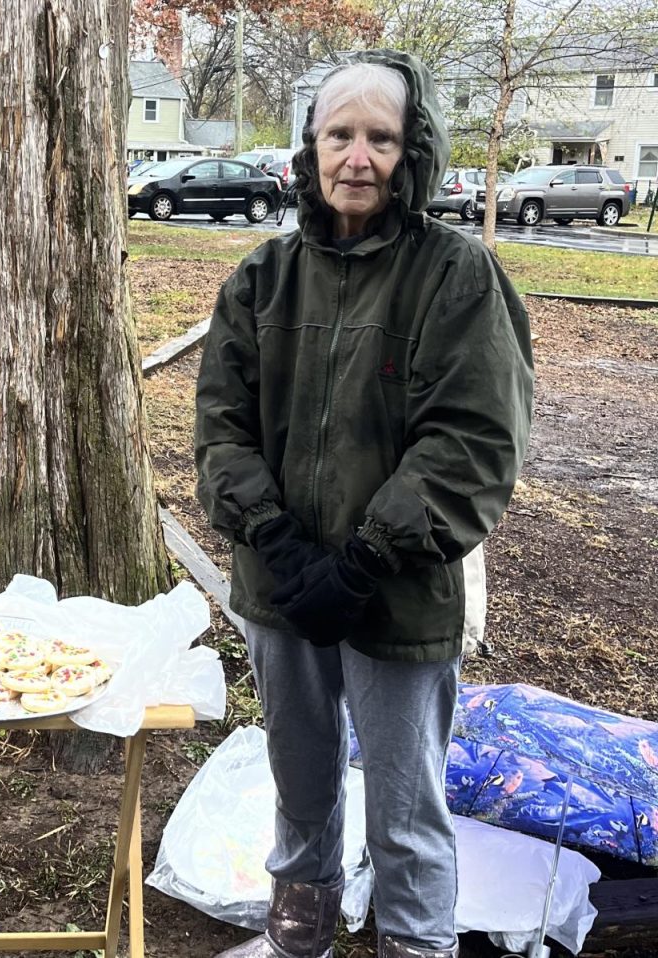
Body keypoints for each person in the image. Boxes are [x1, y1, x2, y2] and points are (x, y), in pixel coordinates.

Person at [193, 50, 534, 958]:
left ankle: (416, 945)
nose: (357, 156)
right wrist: (281, 547)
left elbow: (472, 443)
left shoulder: (456, 277)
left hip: (401, 592)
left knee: (406, 805)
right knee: (299, 782)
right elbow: (221, 433)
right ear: (308, 150)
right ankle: (300, 932)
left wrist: (364, 561)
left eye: (379, 138)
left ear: (410, 152)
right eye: (339, 134)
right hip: (284, 590)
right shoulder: (261, 279)